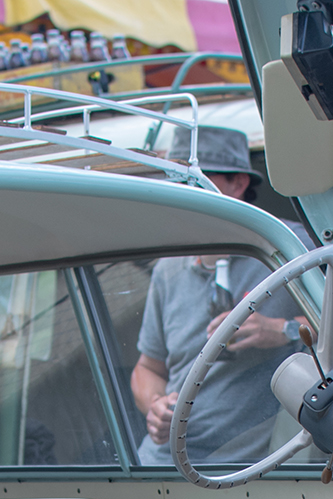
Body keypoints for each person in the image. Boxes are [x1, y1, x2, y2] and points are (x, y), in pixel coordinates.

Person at [131, 126, 307, 465]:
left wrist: (281, 330)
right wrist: (154, 404)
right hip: (158, 465)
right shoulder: (168, 268)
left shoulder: (286, 247)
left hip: (238, 472)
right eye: (177, 182)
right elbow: (146, 367)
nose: (184, 194)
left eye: (196, 181)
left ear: (238, 184)